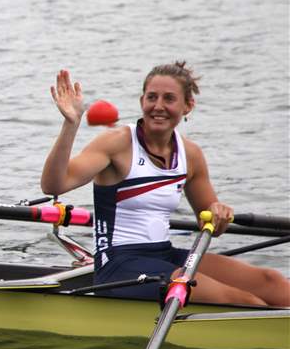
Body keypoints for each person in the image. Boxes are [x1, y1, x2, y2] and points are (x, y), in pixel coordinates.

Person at [43, 64, 289, 306]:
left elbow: (210, 224)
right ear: (142, 101)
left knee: (272, 282)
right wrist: (71, 124)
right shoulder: (116, 143)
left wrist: (218, 211)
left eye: (169, 99)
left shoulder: (190, 154)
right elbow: (54, 184)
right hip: (118, 266)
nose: (158, 106)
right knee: (244, 301)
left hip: (164, 255)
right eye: (152, 97)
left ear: (187, 106)